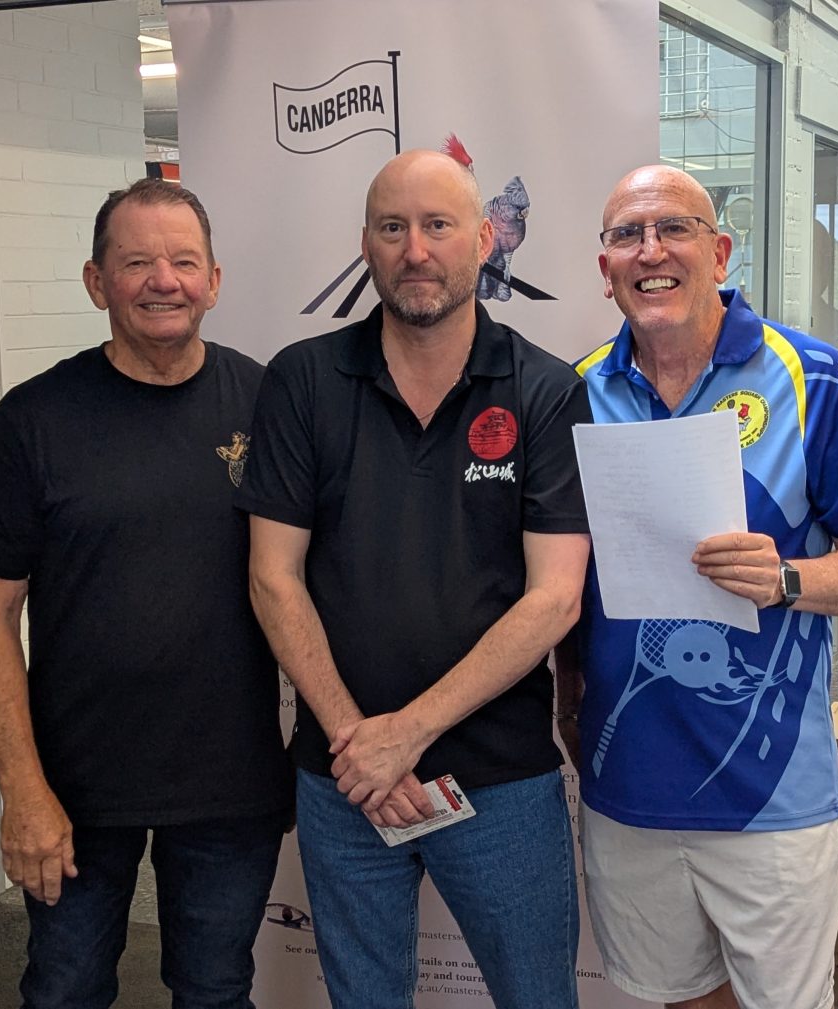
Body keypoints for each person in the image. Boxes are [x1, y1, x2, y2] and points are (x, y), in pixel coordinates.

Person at [236, 149, 592, 1009]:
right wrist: (360, 741)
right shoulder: (303, 380)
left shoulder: (545, 390)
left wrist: (406, 733)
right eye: (393, 227)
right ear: (366, 243)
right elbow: (272, 577)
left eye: (438, 226)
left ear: (485, 240)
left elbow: (555, 598)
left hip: (502, 780)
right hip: (344, 778)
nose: (416, 250)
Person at [558, 164, 838, 1009]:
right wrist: (567, 703)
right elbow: (563, 581)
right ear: (605, 270)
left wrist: (786, 577)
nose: (651, 251)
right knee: (678, 999)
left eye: (674, 228)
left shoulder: (810, 377)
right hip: (629, 787)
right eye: (627, 235)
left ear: (718, 253)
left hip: (773, 793)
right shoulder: (572, 392)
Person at [0, 179, 293, 1009]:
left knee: (216, 990)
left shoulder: (269, 405)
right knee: (64, 991)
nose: (162, 280)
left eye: (183, 262)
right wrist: (22, 789)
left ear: (214, 280)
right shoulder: (34, 420)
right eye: (135, 263)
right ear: (97, 282)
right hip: (72, 786)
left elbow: (316, 582)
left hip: (230, 782)